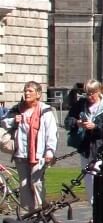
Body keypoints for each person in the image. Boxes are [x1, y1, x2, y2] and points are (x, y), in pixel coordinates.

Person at [10, 82, 58, 211]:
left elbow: (51, 132)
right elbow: (4, 121)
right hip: (21, 153)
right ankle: (29, 212)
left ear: (38, 94)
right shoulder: (17, 109)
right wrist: (13, 120)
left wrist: (50, 151)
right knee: (24, 184)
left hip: (39, 153)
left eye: (30, 91)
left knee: (36, 182)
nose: (27, 93)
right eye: (25, 91)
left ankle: (39, 209)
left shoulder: (45, 110)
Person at [73, 80, 103, 204]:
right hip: (86, 147)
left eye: (92, 93)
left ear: (98, 92)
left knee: (97, 178)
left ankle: (102, 208)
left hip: (101, 148)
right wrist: (78, 123)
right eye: (87, 93)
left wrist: (95, 127)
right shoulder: (81, 105)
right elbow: (69, 121)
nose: (89, 96)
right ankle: (94, 208)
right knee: (88, 181)